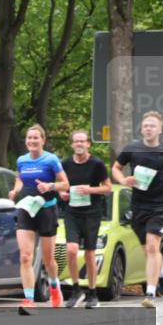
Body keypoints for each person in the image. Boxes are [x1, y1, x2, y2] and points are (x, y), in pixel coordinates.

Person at [112, 111, 163, 308]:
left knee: (152, 246)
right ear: (142, 128)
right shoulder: (132, 149)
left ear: (159, 129)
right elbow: (115, 168)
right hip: (138, 206)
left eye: (152, 126)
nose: (148, 128)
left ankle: (150, 293)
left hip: (158, 207)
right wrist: (124, 180)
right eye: (146, 125)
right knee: (147, 251)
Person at [8, 125, 70, 315]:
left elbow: (65, 183)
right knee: (25, 257)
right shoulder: (22, 160)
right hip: (27, 209)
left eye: (36, 138)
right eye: (29, 138)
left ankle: (54, 286)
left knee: (49, 259)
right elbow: (20, 179)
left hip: (47, 210)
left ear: (42, 140)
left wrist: (50, 185)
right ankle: (28, 299)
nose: (32, 141)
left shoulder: (51, 159)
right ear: (26, 140)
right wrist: (16, 189)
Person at [59, 130, 111, 309]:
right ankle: (75, 289)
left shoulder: (96, 164)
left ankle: (92, 292)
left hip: (91, 213)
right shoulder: (65, 163)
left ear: (88, 144)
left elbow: (107, 188)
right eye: (76, 141)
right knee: (71, 250)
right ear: (72, 144)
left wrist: (90, 190)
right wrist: (62, 194)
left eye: (82, 141)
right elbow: (60, 186)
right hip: (72, 212)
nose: (79, 144)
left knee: (89, 253)